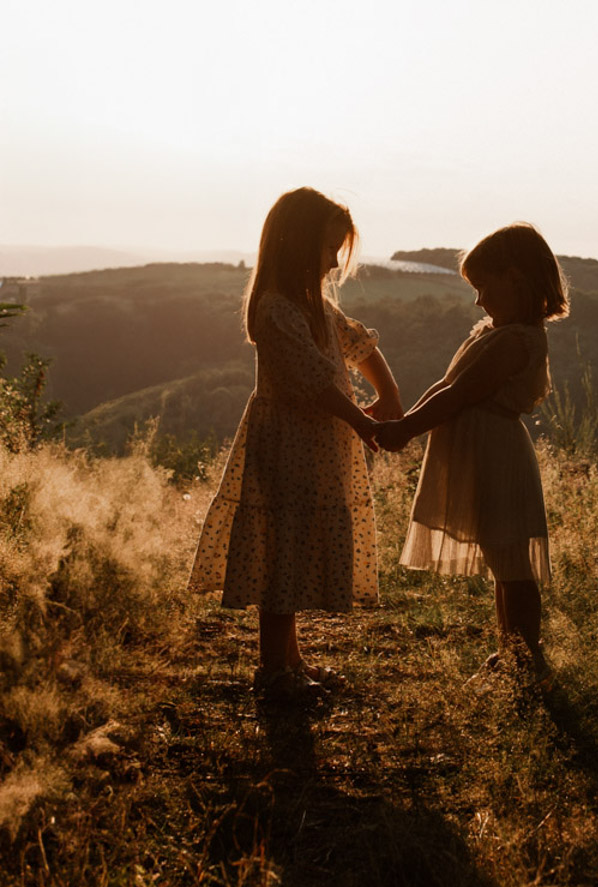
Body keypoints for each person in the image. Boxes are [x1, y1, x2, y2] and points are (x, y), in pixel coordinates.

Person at [188, 187, 402, 700]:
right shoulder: (277, 309)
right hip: (286, 444)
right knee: (282, 552)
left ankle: (292, 661)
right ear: (299, 244)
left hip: (317, 446)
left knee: (295, 548)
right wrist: (364, 422)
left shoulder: (317, 307)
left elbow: (359, 346)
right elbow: (313, 381)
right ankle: (273, 673)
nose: (333, 262)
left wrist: (389, 396)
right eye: (329, 249)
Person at [374, 222, 568, 691]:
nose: (478, 301)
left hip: (497, 457)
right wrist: (404, 425)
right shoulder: (491, 333)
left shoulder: (518, 341)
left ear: (516, 279)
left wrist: (405, 430)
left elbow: (460, 394)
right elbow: (445, 386)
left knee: (513, 565)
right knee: (501, 560)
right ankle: (511, 651)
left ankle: (528, 659)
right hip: (481, 454)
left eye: (484, 286)